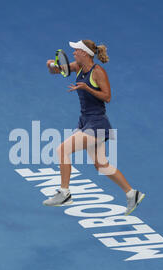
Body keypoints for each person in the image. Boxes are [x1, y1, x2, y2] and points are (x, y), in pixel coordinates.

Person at [43, 39, 145, 215]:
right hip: (85, 121)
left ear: (84, 53)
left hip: (97, 123)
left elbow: (107, 97)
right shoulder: (77, 66)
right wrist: (52, 64)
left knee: (62, 150)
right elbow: (54, 70)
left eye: (76, 50)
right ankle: (132, 194)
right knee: (101, 165)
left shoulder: (97, 72)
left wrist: (87, 88)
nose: (73, 52)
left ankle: (64, 193)